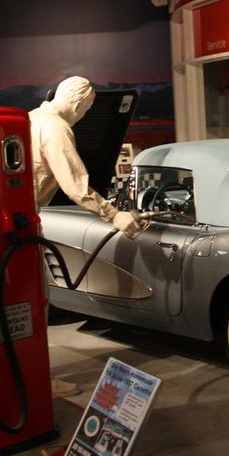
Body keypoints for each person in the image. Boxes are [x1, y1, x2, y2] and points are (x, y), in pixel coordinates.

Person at [29, 76, 143, 397]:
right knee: (35, 302)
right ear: (79, 103)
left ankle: (26, 374)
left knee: (21, 305)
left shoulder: (32, 117)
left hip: (10, 222)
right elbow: (76, 186)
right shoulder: (57, 128)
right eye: (87, 109)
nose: (84, 114)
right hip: (24, 223)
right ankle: (39, 379)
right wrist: (114, 214)